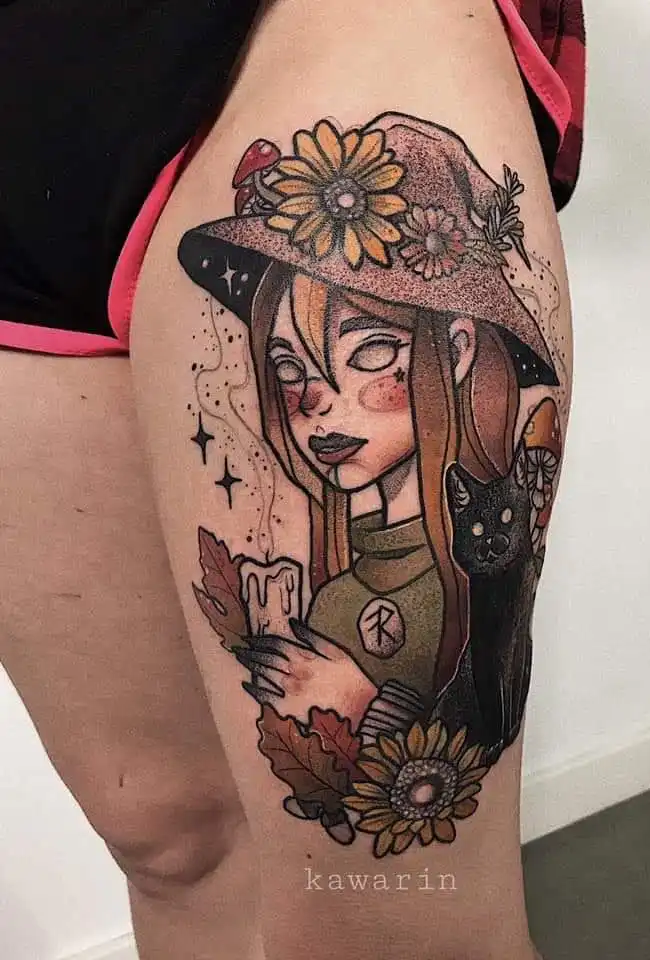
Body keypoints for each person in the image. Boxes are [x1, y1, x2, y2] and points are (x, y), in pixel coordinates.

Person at [0, 2, 584, 958]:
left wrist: (365, 700)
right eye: (293, 370)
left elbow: (462, 700)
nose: (322, 407)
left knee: (398, 926)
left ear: (454, 346)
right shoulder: (350, 541)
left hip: (311, 27)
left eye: (369, 354)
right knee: (170, 840)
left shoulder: (465, 539)